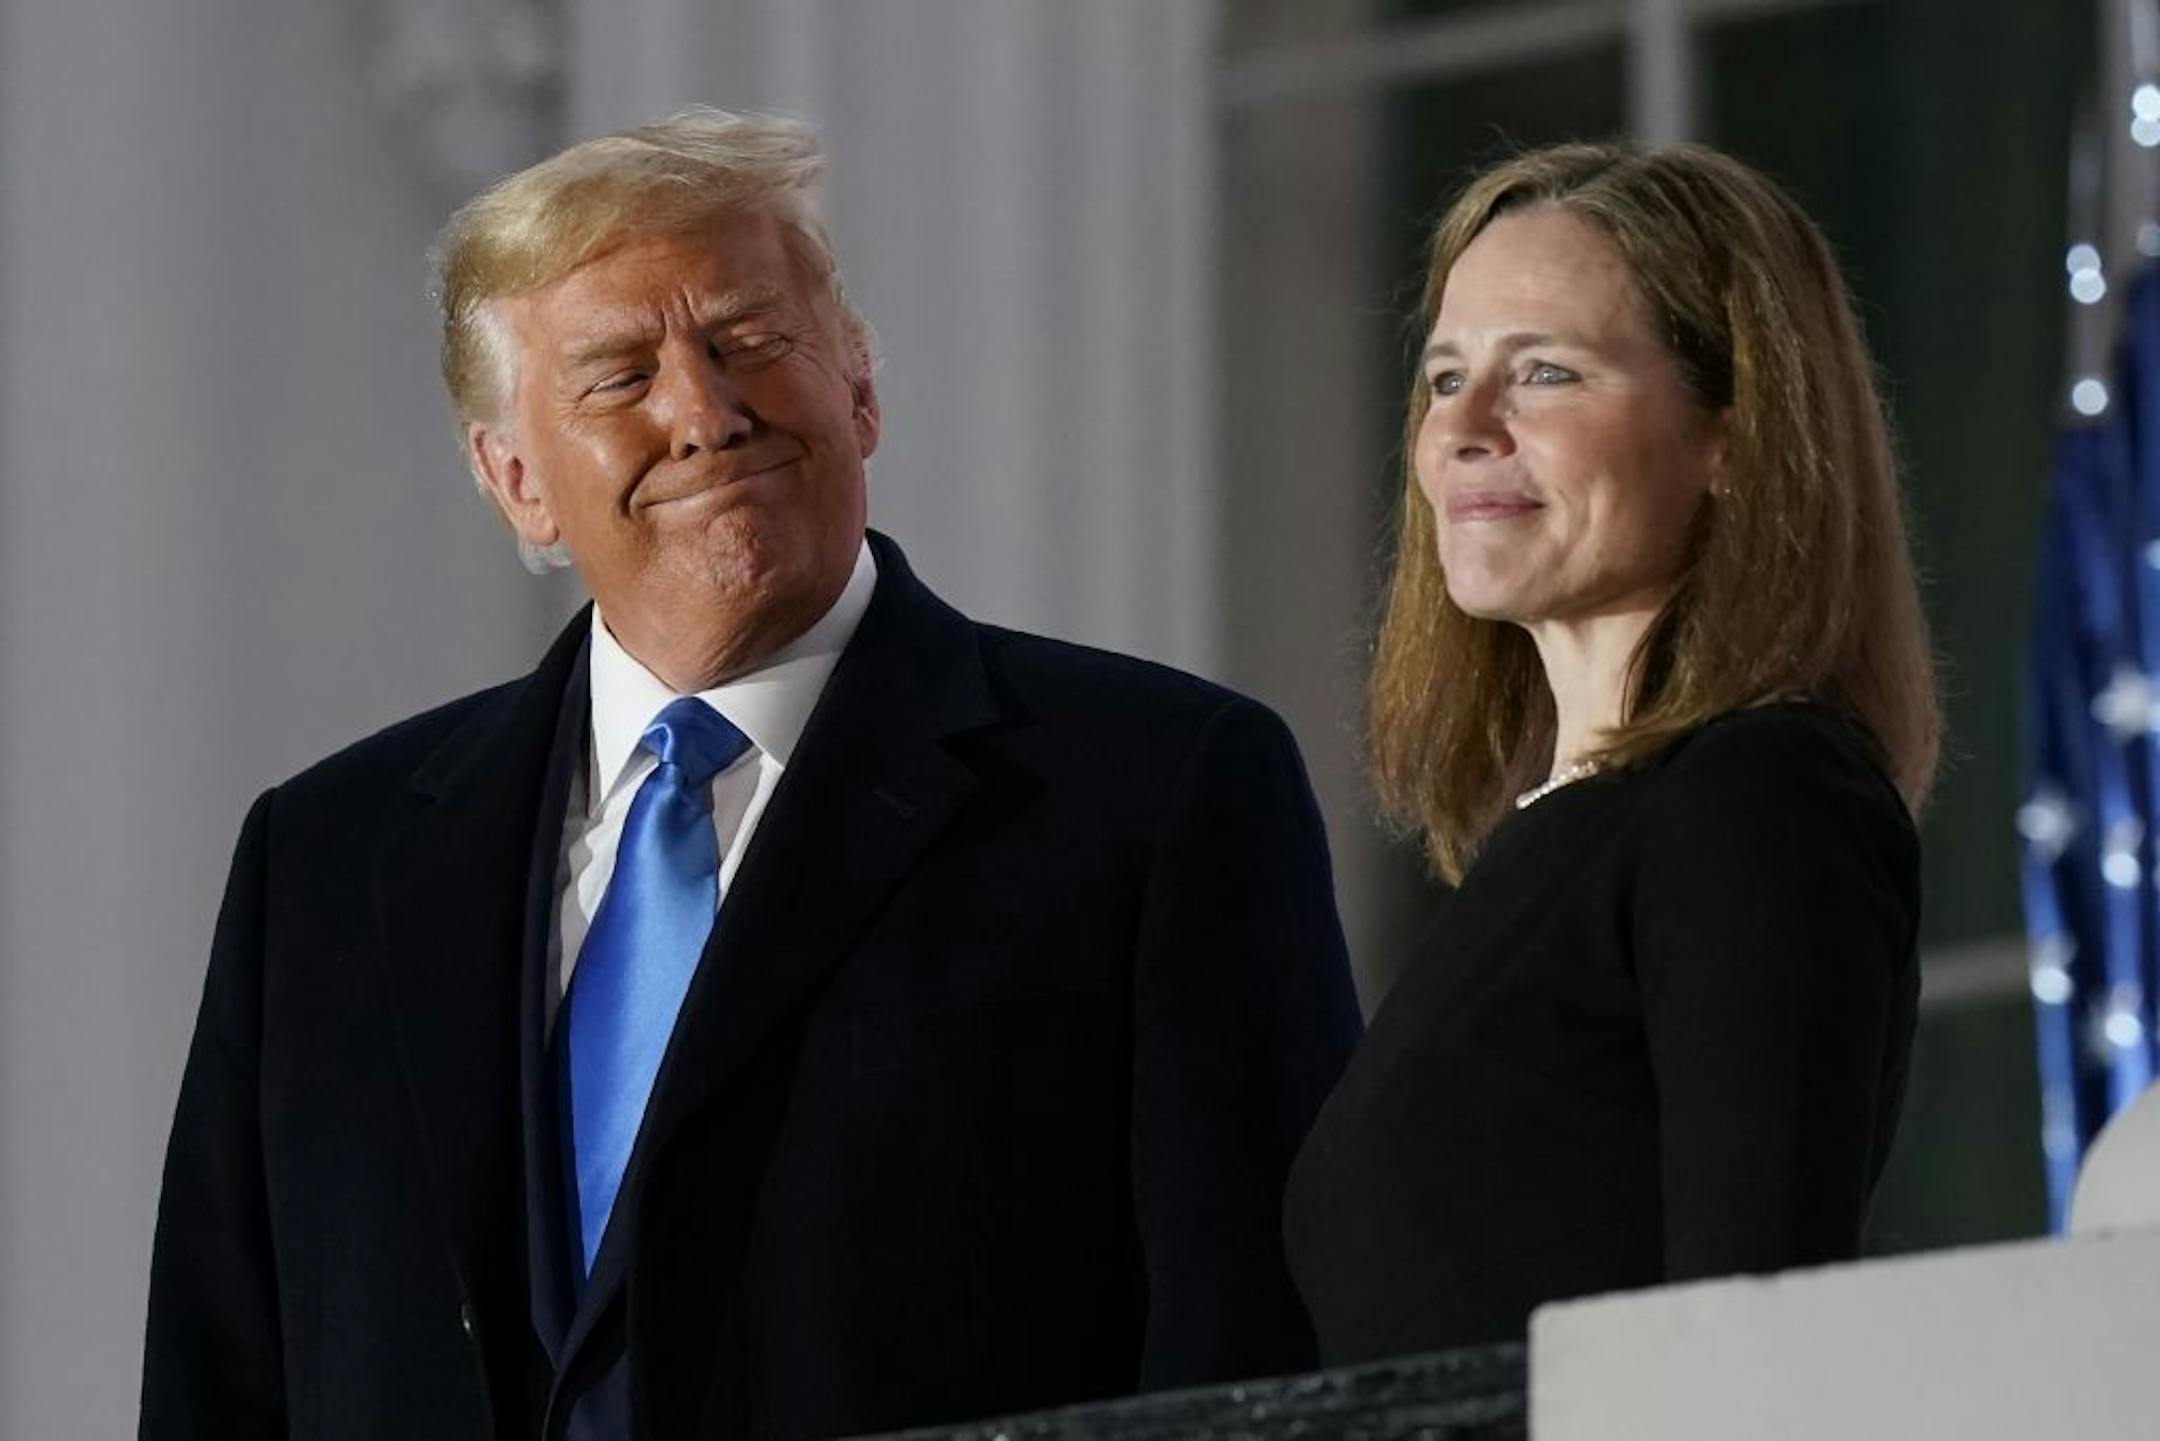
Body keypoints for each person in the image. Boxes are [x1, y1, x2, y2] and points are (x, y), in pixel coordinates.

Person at [141, 109, 1361, 1440]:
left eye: (752, 342)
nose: (705, 413)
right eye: (618, 376)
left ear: (861, 388)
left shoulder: (1154, 789)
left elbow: (1254, 1363)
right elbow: (222, 1381)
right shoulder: (322, 862)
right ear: (516, 484)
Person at [1282, 141, 1938, 1362]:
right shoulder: (1556, 839)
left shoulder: (1759, 800)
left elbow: (1752, 1340)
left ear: (1731, 434)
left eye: (1544, 373)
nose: (1465, 429)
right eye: (1441, 378)